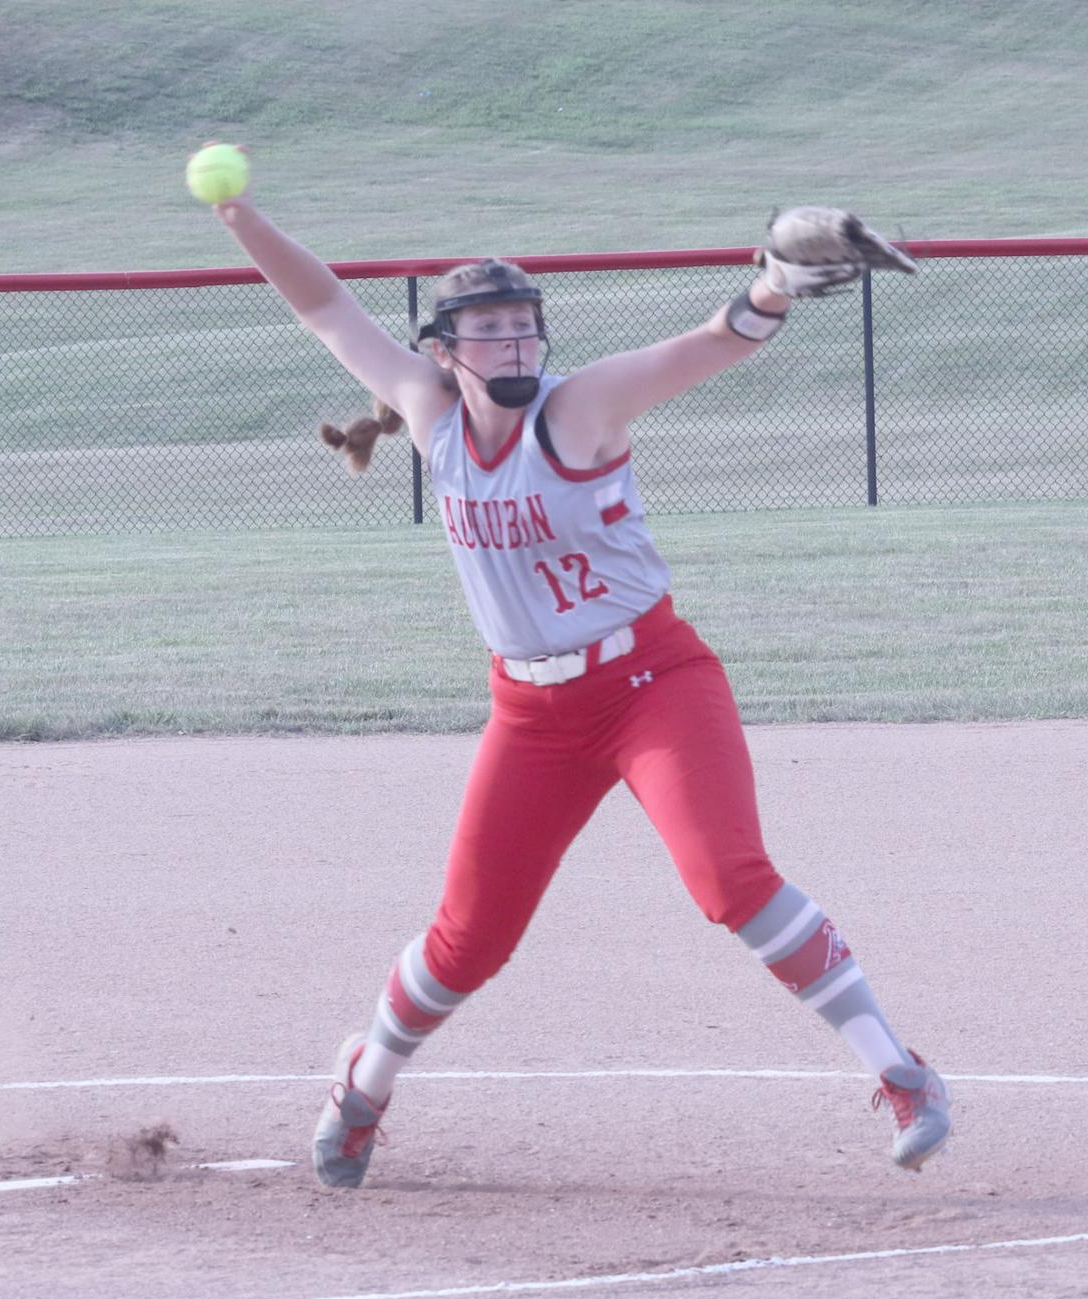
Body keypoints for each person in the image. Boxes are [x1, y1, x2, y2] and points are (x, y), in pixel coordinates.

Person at [208, 173, 951, 1188]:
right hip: (532, 713)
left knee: (729, 878)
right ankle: (364, 1085)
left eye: (525, 326)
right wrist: (241, 219)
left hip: (653, 682)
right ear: (444, 351)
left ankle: (899, 1072)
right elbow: (327, 307)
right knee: (469, 939)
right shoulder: (428, 412)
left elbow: (707, 346)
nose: (514, 344)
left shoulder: (581, 408)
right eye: (490, 329)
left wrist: (772, 288)